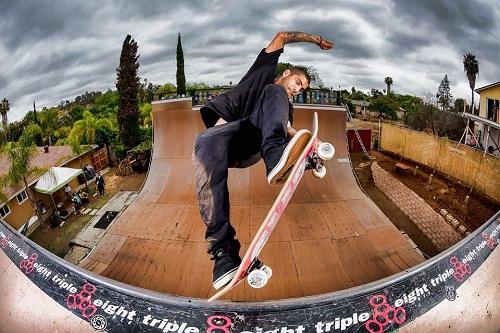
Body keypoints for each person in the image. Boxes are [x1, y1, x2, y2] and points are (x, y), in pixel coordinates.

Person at [193, 31, 334, 289]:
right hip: (227, 138)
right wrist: (316, 39)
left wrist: (309, 150)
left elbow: (288, 129)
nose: (297, 89)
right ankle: (223, 252)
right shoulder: (265, 71)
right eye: (298, 81)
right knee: (204, 139)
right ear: (287, 71)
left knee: (276, 96)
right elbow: (282, 36)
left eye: (302, 88)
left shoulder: (281, 103)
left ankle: (276, 155)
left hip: (256, 142)